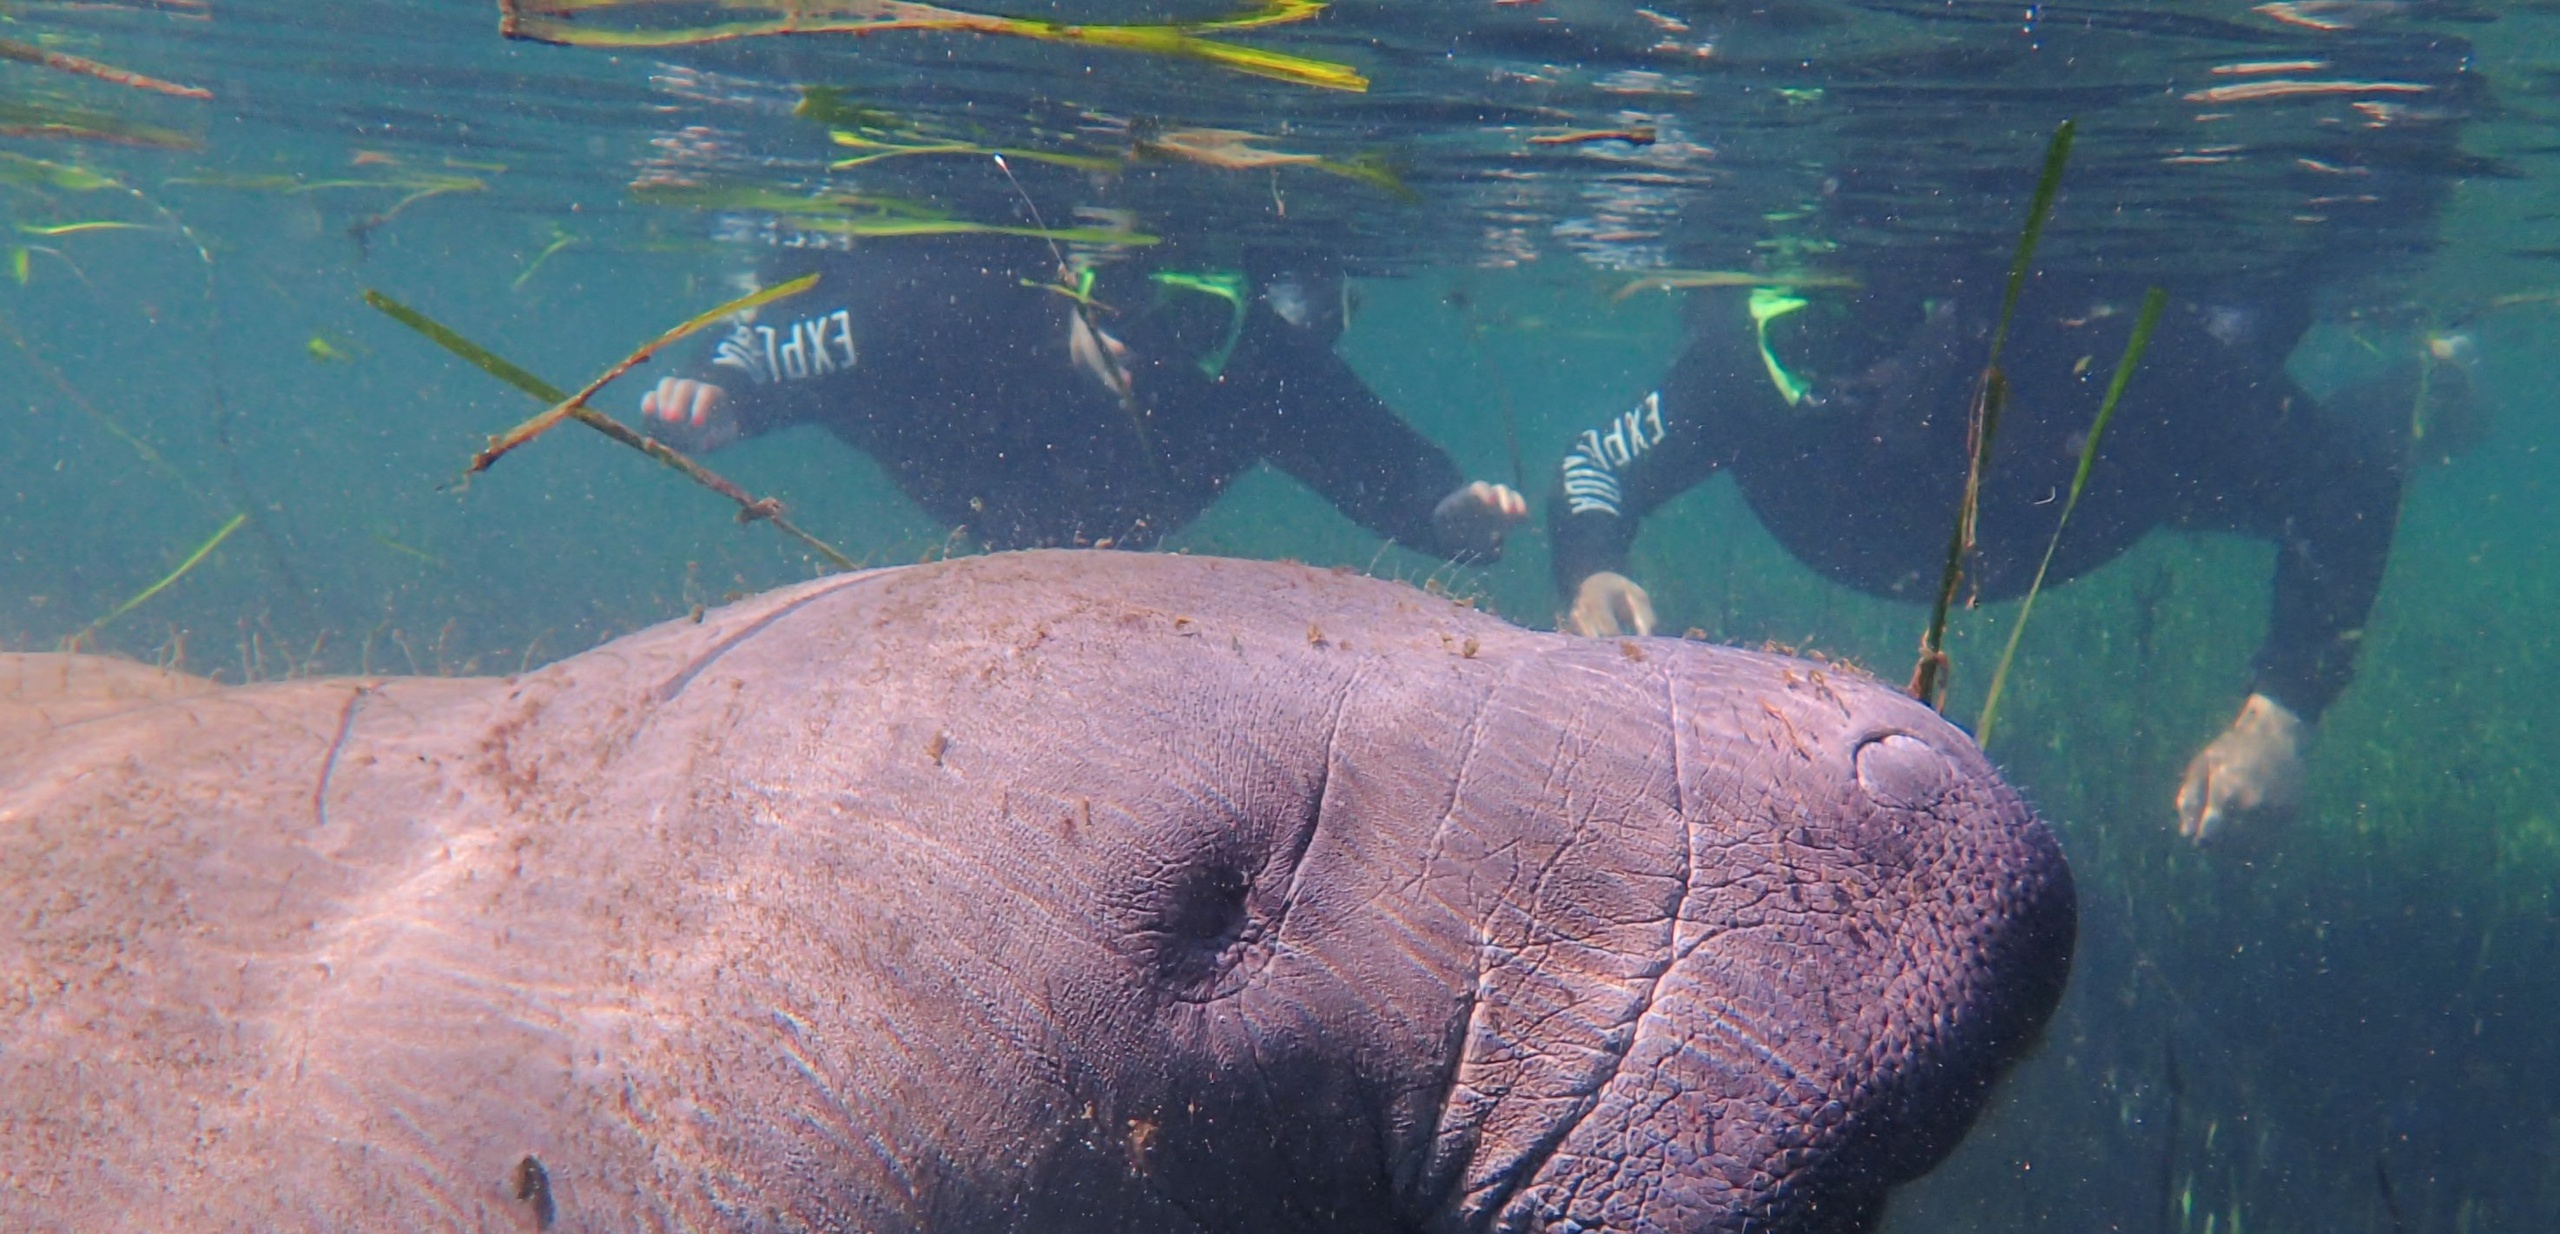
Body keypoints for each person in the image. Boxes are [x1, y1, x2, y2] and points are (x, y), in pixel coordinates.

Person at [1546, 273, 2469, 839]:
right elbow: (1595, 465)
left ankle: (2440, 389)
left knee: (2285, 422)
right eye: (1849, 348)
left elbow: (2343, 489)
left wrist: (2283, 714)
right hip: (2084, 504)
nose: (1864, 382)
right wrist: (1592, 563)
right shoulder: (1765, 370)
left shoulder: (2136, 363)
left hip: (2115, 487)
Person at [641, 241, 1526, 566]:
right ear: (1069, 279)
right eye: (1122, 299)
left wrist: (1443, 516)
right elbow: (787, 331)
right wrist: (727, 396)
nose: (1147, 347)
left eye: (1191, 320)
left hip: (1104, 516)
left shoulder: (1254, 368)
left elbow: (1369, 454)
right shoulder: (949, 307)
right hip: (945, 454)